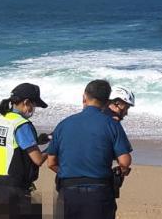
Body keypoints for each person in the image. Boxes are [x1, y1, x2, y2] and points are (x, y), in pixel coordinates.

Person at [46, 80, 133, 219]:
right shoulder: (113, 124)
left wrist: (71, 172)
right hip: (99, 191)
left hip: (68, 191)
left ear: (84, 97)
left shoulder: (63, 124)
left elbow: (51, 163)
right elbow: (125, 161)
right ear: (106, 102)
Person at [0, 83, 50, 219]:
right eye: (34, 105)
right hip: (14, 188)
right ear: (26, 102)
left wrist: (37, 141)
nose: (34, 109)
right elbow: (38, 159)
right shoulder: (22, 124)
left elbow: (11, 145)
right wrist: (53, 147)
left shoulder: (2, 120)